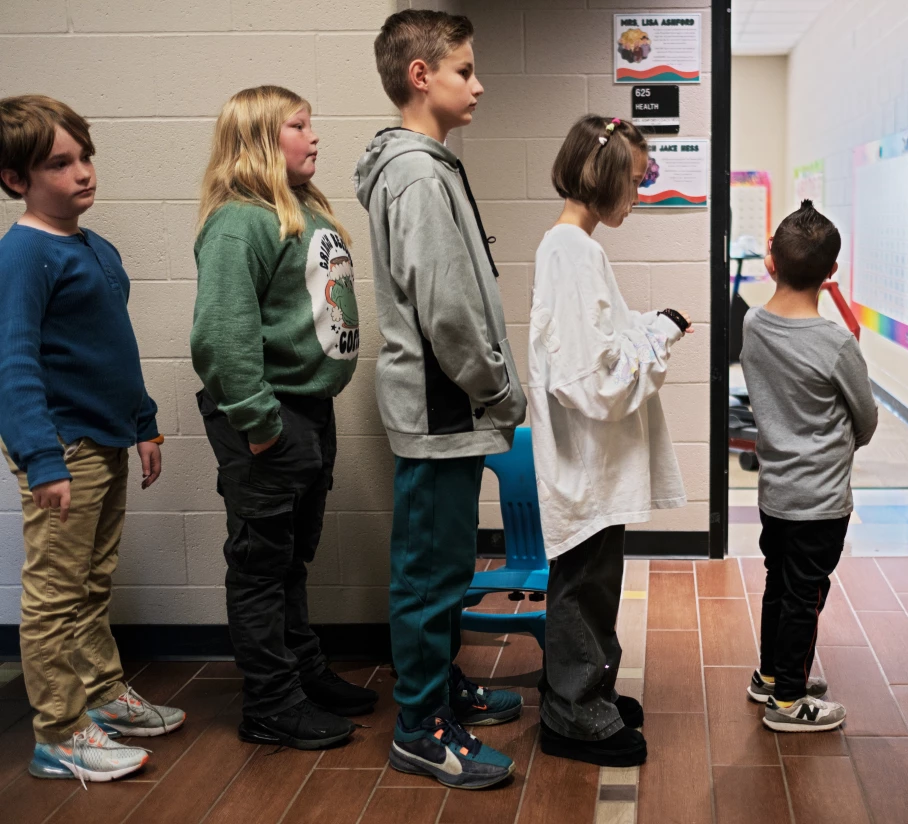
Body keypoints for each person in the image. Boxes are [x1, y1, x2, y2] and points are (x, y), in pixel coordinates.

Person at [355, 9, 527, 789]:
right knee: (428, 575)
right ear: (421, 77)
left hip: (450, 410)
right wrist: (497, 387)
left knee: (449, 567)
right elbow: (447, 310)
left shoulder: (429, 164)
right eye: (464, 70)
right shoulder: (418, 173)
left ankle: (441, 691)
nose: (480, 85)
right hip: (443, 409)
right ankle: (421, 728)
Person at [0, 94, 185, 783]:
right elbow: (12, 364)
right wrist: (41, 460)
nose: (82, 173)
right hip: (62, 448)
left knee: (92, 580)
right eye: (60, 163)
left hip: (104, 440)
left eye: (85, 157)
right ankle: (58, 731)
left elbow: (112, 348)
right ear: (17, 179)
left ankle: (102, 695)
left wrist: (143, 425)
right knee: (54, 593)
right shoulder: (22, 258)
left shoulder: (91, 246)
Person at [191, 85, 376, 751]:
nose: (314, 136)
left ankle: (301, 672)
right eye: (299, 126)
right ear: (261, 141)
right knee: (261, 567)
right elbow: (221, 334)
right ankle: (270, 703)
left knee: (292, 560)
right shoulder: (240, 220)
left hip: (306, 410)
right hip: (267, 414)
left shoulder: (298, 209)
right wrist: (259, 420)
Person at [530, 116, 691, 766]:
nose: (638, 192)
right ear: (604, 177)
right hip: (585, 458)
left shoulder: (573, 248)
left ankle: (586, 691)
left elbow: (603, 337)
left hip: (591, 460)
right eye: (634, 178)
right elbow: (594, 378)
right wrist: (659, 339)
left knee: (593, 581)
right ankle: (574, 713)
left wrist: (649, 326)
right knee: (583, 584)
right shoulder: (572, 251)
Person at [741, 200, 878, 732]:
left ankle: (771, 677)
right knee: (804, 596)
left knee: (780, 583)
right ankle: (789, 703)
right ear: (832, 273)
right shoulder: (837, 343)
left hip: (775, 492)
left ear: (770, 262)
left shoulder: (754, 323)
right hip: (819, 501)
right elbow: (864, 419)